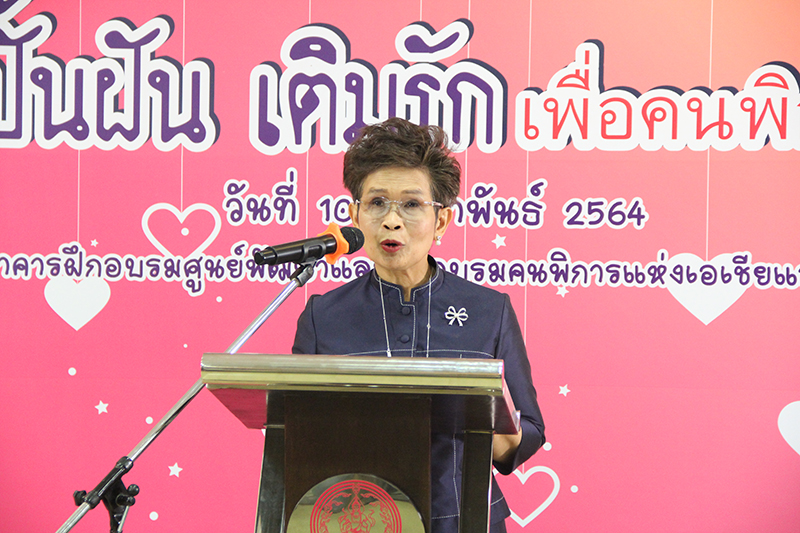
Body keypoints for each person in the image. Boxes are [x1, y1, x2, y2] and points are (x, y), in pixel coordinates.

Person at [292, 117, 545, 533]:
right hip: (362, 520)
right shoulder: (324, 315)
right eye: (376, 203)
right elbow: (301, 437)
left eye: (411, 204)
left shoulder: (487, 309)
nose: (392, 221)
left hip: (468, 522)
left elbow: (526, 437)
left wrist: (476, 415)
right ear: (354, 215)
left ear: (441, 221)